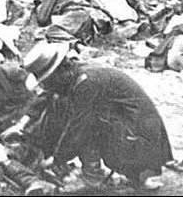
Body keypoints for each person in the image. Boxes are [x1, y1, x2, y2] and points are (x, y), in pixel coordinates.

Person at [18, 41, 173, 189]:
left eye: (47, 80)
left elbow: (78, 127)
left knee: (84, 125)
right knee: (60, 103)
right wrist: (22, 123)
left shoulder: (87, 82)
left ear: (56, 72)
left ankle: (99, 176)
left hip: (139, 136)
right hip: (126, 124)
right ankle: (94, 173)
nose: (47, 85)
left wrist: (57, 158)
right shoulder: (73, 71)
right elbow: (46, 95)